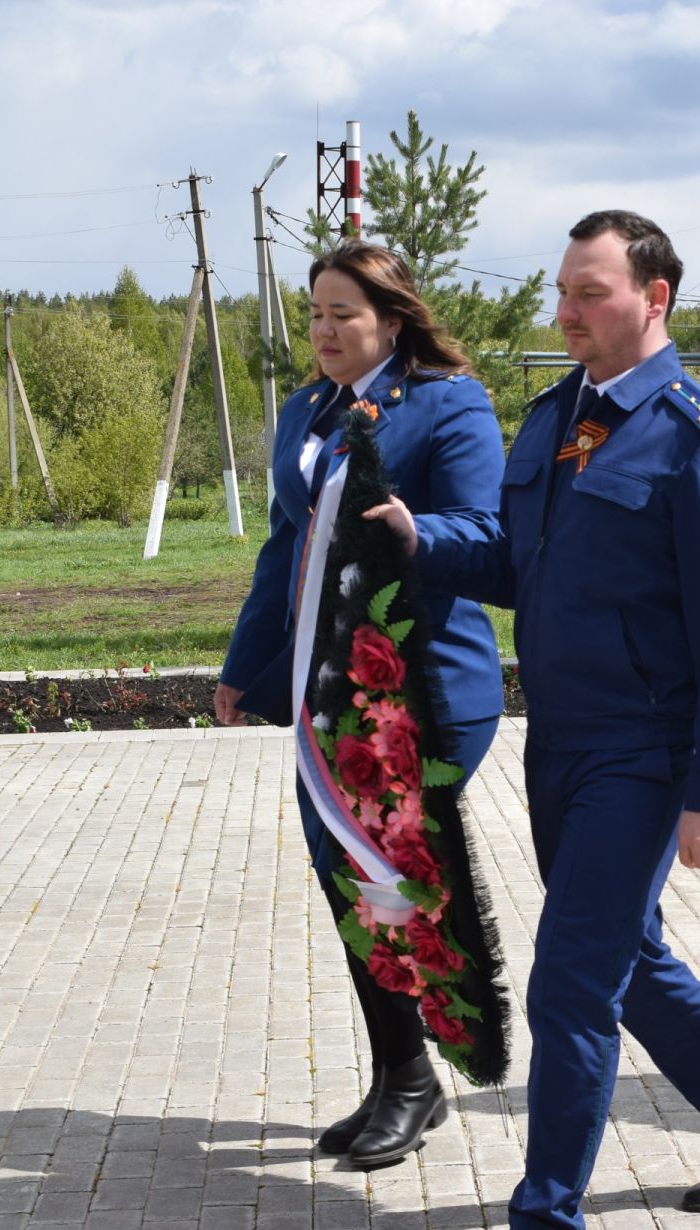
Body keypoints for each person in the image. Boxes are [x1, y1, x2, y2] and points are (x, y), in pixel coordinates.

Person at [368, 211, 700, 1230]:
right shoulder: (560, 417)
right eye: (562, 292)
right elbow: (522, 561)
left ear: (655, 299)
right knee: (626, 957)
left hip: (645, 754)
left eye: (590, 294)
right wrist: (419, 537)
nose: (566, 313)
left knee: (569, 984)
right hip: (557, 741)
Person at [214, 241, 505, 1166]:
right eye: (315, 315)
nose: (327, 331)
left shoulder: (447, 402)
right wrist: (243, 663)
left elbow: (489, 531)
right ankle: (399, 1074)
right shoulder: (305, 411)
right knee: (354, 882)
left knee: (395, 880)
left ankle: (419, 1077)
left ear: (392, 316)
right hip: (324, 694)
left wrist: (420, 530)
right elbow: (282, 548)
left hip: (416, 692)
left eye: (345, 314)